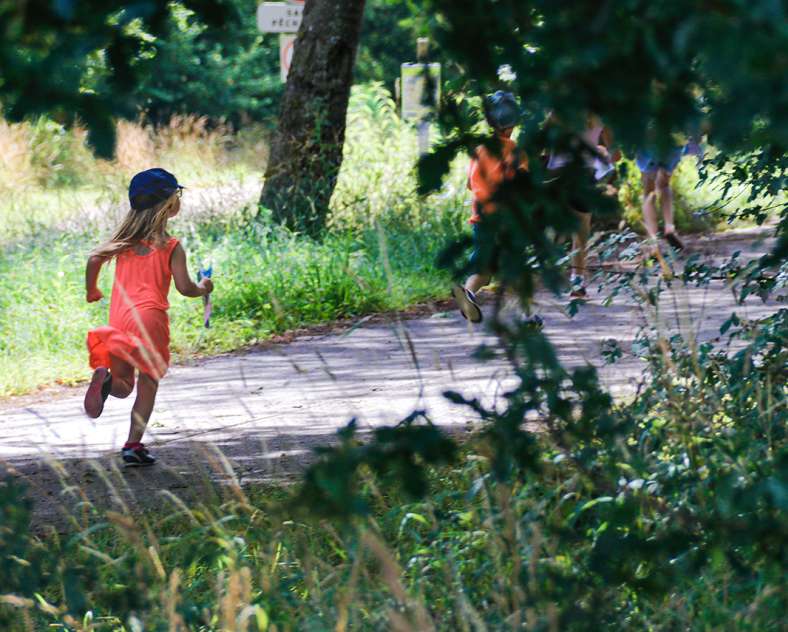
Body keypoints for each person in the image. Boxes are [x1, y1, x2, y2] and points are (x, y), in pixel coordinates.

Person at [83, 168, 213, 466]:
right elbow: (184, 287)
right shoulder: (170, 246)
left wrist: (92, 290)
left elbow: (94, 258)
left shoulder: (124, 242)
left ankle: (105, 384)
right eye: (176, 195)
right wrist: (204, 286)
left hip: (119, 320)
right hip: (150, 319)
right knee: (148, 382)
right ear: (168, 203)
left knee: (123, 383)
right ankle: (132, 445)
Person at [452, 90, 529, 324]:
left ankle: (468, 294)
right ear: (514, 122)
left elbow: (469, 184)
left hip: (482, 219)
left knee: (482, 269)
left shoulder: (480, 150)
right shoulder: (516, 150)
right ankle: (526, 315)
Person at [545, 113, 620, 298]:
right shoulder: (600, 116)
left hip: (556, 175)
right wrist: (601, 149)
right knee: (580, 232)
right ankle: (577, 281)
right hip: (584, 175)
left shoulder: (558, 110)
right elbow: (615, 155)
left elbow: (543, 141)